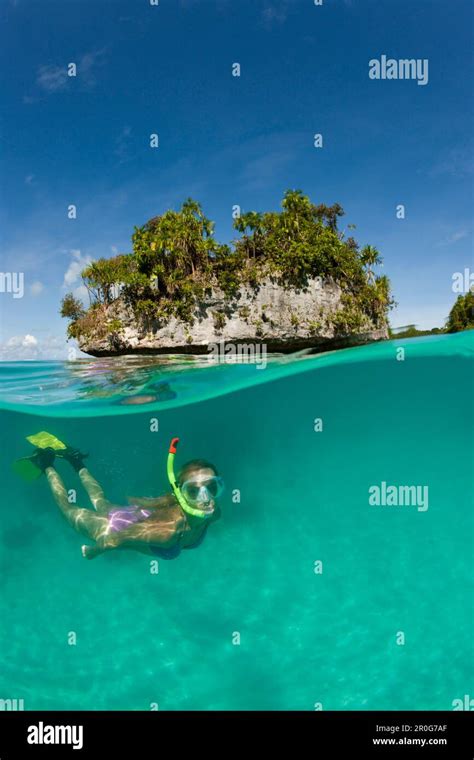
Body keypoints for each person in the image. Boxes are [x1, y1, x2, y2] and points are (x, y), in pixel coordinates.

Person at [15, 433, 223, 560]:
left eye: (212, 487)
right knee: (67, 509)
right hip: (115, 529)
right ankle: (47, 462)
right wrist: (93, 552)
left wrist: (146, 502)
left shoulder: (213, 514)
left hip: (134, 516)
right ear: (181, 492)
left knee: (102, 502)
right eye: (193, 490)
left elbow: (170, 500)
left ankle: (75, 461)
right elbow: (117, 539)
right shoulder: (167, 533)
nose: (205, 498)